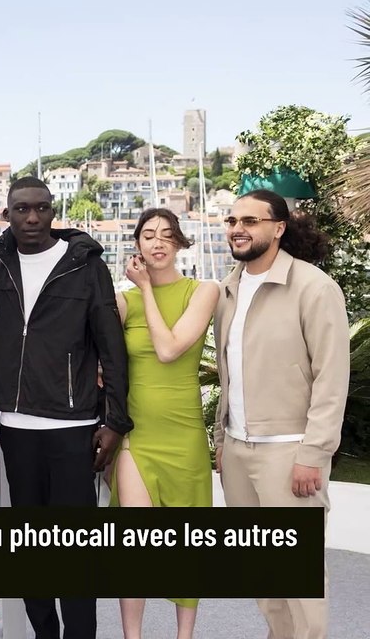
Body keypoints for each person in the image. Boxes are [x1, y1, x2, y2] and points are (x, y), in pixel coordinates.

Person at [0, 176, 131, 639]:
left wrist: (114, 420)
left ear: (52, 211)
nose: (31, 217)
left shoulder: (84, 267)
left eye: (40, 208)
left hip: (74, 426)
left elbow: (112, 348)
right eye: (21, 209)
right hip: (16, 428)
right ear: (6, 214)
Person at [214, 189, 348, 639]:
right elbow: (228, 373)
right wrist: (222, 441)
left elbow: (332, 378)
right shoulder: (229, 288)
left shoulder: (314, 287)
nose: (238, 229)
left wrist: (314, 451)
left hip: (290, 452)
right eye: (232, 221)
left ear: (278, 228)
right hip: (237, 452)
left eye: (250, 221)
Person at [111, 208, 218, 639]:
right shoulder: (122, 301)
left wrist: (146, 291)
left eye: (167, 235)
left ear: (178, 244)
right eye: (148, 234)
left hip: (185, 434)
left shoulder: (203, 291)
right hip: (137, 437)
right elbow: (98, 359)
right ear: (137, 243)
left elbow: (169, 348)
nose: (157, 242)